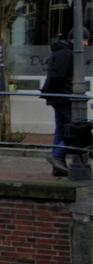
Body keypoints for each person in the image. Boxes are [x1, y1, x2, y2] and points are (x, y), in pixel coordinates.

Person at [42, 36, 75, 177]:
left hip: (58, 96)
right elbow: (59, 75)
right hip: (63, 96)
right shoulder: (66, 53)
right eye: (85, 40)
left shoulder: (60, 51)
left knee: (61, 128)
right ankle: (57, 154)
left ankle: (58, 166)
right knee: (77, 127)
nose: (86, 44)